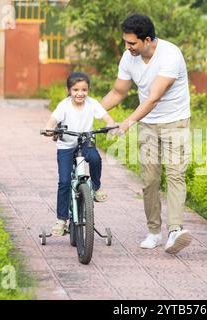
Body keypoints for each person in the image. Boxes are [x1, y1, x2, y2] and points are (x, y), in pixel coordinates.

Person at [101, 14, 192, 254]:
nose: (126, 47)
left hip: (175, 123)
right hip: (148, 125)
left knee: (175, 175)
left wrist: (128, 122)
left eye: (131, 43)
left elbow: (153, 97)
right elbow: (118, 92)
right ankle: (154, 232)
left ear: (148, 40)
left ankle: (175, 231)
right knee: (150, 181)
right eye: (125, 42)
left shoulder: (170, 55)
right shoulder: (129, 57)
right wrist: (88, 111)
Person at [43, 72, 117, 236]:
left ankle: (96, 187)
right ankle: (61, 220)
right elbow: (52, 120)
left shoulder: (92, 103)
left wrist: (111, 125)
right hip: (66, 145)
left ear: (88, 90)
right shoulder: (64, 105)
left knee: (96, 159)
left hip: (85, 141)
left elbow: (106, 117)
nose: (80, 93)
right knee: (64, 181)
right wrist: (49, 129)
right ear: (69, 90)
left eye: (84, 90)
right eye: (76, 89)